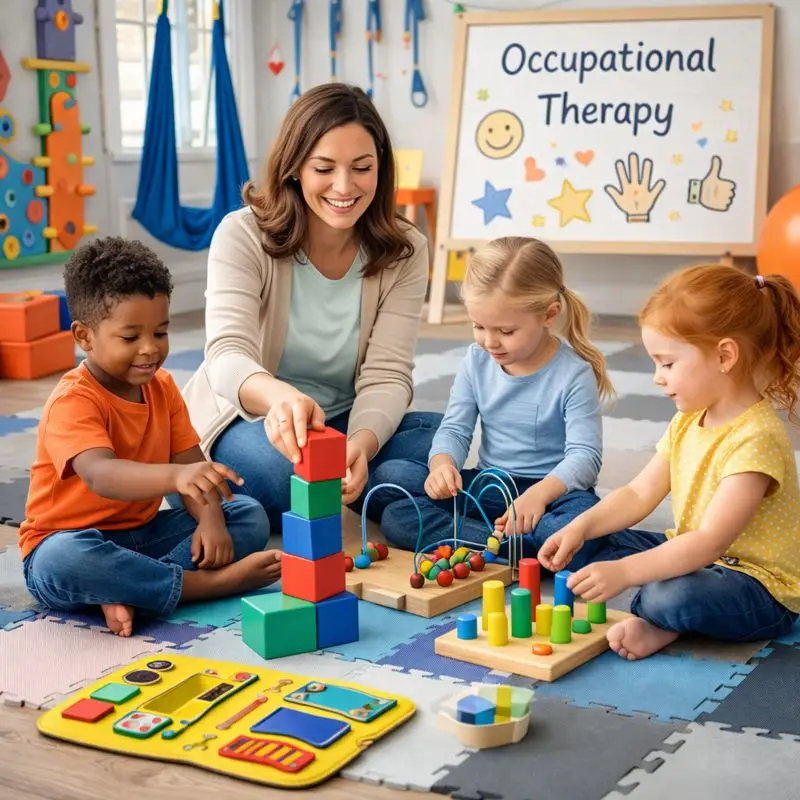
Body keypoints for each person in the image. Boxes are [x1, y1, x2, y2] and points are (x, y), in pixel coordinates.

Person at [181, 83, 442, 535]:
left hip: (343, 421)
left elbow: (388, 374)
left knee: (443, 436)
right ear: (295, 167)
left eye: (362, 168)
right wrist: (281, 398)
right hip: (252, 417)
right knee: (282, 477)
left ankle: (357, 478)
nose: (345, 186)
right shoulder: (243, 234)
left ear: (381, 169)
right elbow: (226, 354)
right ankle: (380, 491)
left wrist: (360, 442)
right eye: (324, 168)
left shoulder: (406, 249)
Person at [19, 237, 279, 638]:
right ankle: (206, 586)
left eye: (160, 332)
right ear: (84, 336)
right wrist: (174, 478)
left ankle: (132, 590)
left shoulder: (163, 387)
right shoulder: (72, 401)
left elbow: (195, 467)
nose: (150, 349)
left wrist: (210, 519)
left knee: (246, 514)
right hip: (66, 544)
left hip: (142, 539)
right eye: (130, 337)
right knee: (62, 559)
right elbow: (100, 475)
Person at [539, 264, 800, 660]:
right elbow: (638, 494)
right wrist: (581, 528)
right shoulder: (688, 418)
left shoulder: (756, 438)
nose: (657, 378)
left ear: (724, 356)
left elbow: (709, 542)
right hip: (693, 555)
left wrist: (626, 573)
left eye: (668, 363)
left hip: (756, 587)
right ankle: (653, 601)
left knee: (670, 595)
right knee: (576, 537)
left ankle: (663, 622)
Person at [370, 236, 614, 558]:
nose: (489, 341)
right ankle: (509, 545)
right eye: (478, 326)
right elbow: (456, 429)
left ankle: (500, 542)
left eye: (506, 331)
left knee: (577, 525)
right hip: (490, 488)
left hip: (553, 494)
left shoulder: (573, 373)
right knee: (391, 482)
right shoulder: (477, 360)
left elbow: (584, 458)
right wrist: (442, 465)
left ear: (549, 315)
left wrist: (539, 495)